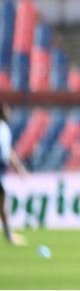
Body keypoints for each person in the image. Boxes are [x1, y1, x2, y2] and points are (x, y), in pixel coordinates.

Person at [0, 103, 28, 246]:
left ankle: (8, 234)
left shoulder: (5, 129)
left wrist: (18, 167)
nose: (9, 112)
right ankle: (9, 234)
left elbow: (8, 150)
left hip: (2, 170)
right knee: (3, 202)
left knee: (3, 203)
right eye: (6, 110)